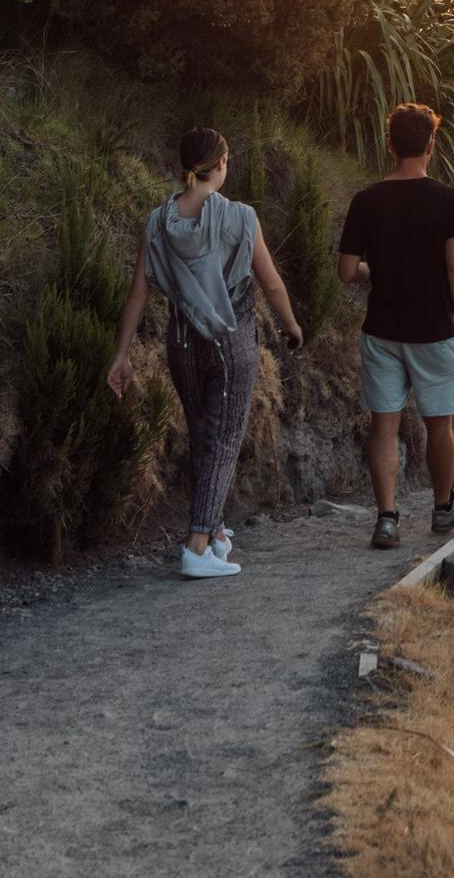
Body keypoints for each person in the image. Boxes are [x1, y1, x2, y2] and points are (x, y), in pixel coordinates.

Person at [107, 127, 305, 578]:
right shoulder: (240, 218)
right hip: (230, 345)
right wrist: (291, 325)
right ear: (219, 165)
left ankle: (215, 534)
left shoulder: (158, 222)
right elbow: (271, 282)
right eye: (227, 160)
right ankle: (196, 545)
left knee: (204, 437)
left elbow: (137, 294)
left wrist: (122, 354)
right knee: (224, 439)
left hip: (181, 344)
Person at [336, 103, 454, 549]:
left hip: (381, 330)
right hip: (434, 331)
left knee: (385, 425)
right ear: (432, 145)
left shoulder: (366, 200)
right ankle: (442, 509)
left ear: (390, 145)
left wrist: (371, 271)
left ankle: (386, 519)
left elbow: (346, 271)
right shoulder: (448, 200)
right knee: (439, 425)